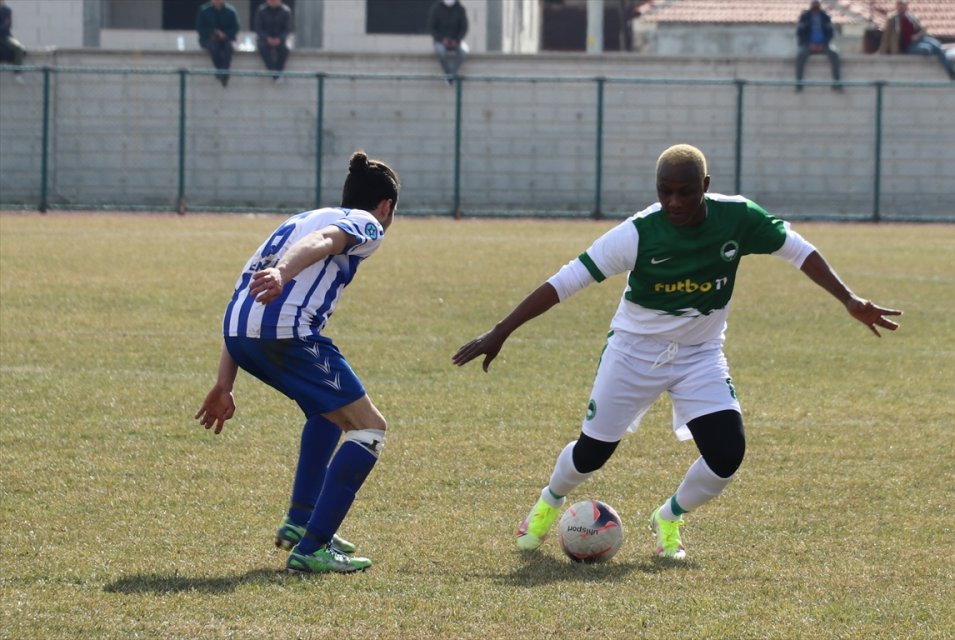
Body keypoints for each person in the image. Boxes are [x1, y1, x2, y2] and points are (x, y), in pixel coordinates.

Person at [452, 144, 902, 560]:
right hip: (632, 353)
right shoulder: (638, 232)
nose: (674, 203)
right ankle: (549, 502)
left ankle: (667, 517)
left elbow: (799, 250)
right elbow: (568, 279)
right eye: (665, 192)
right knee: (592, 454)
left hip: (699, 355)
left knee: (727, 455)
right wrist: (501, 330)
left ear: (704, 186)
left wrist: (849, 299)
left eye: (685, 192)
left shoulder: (738, 218)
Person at [196, 151, 401, 574]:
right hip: (286, 334)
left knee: (328, 414)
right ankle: (312, 547)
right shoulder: (367, 222)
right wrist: (284, 274)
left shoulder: (297, 219)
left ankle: (301, 519)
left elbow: (245, 287)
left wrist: (224, 382)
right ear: (386, 207)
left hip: (240, 334)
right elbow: (324, 243)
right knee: (369, 428)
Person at [878, 0, 955, 80]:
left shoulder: (911, 17)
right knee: (927, 49)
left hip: (919, 40)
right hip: (908, 46)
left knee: (936, 45)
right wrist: (881, 52)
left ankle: (951, 72)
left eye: (903, 5)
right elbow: (886, 37)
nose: (901, 7)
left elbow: (923, 30)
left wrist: (917, 36)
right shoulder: (893, 20)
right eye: (899, 5)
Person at [795, 1, 842, 92]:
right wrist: (809, 44)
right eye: (814, 4)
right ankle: (799, 82)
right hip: (808, 45)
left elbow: (830, 33)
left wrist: (823, 44)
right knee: (800, 55)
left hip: (823, 45)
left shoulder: (825, 17)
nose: (815, 6)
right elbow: (800, 33)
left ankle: (836, 82)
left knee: (834, 54)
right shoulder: (805, 17)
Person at [196, 0, 240, 86]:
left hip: (225, 39)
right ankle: (223, 72)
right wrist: (212, 33)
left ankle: (222, 72)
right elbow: (200, 27)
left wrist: (225, 35)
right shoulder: (204, 10)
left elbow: (235, 27)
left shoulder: (230, 11)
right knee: (213, 46)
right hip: (209, 40)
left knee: (229, 48)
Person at [428, 0, 469, 85]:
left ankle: (450, 75)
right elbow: (431, 28)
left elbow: (464, 27)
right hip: (440, 41)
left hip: (456, 40)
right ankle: (449, 75)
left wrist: (457, 40)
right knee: (441, 52)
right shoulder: (436, 9)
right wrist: (441, 39)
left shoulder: (460, 9)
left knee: (463, 52)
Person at [255, 0, 292, 81]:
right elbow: (258, 28)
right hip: (265, 39)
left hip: (280, 39)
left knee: (284, 49)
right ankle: (273, 72)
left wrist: (280, 39)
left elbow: (287, 29)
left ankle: (278, 71)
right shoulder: (261, 11)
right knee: (262, 47)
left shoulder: (285, 11)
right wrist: (267, 38)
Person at [0, 0, 26, 83]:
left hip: (6, 36)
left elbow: (7, 25)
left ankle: (17, 73)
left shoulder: (7, 10)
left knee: (18, 48)